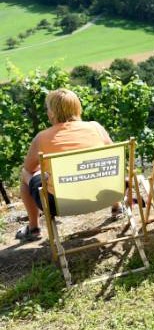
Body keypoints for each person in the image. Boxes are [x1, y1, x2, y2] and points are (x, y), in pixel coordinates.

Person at [16, 88, 116, 241]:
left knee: (25, 174)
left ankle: (34, 228)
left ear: (52, 113)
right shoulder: (96, 128)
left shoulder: (41, 138)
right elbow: (114, 158)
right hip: (104, 196)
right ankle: (117, 206)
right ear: (78, 107)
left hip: (59, 205)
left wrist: (48, 171)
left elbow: (29, 169)